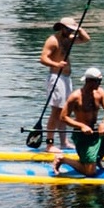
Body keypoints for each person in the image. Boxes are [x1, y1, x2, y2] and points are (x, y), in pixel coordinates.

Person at [52, 67, 104, 176]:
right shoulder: (75, 97)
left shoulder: (100, 93)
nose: (100, 84)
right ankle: (63, 159)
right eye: (98, 81)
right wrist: (81, 126)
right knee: (90, 172)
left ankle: (96, 158)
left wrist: (103, 123)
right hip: (82, 136)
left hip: (96, 132)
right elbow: (63, 117)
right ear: (89, 81)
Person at [40, 15, 91, 153]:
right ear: (61, 28)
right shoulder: (53, 41)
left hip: (66, 78)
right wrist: (56, 63)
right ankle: (49, 144)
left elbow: (86, 39)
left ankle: (64, 142)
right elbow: (43, 58)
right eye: (68, 29)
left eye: (72, 30)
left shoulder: (68, 39)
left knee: (65, 111)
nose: (70, 32)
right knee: (56, 111)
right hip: (56, 77)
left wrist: (78, 28)